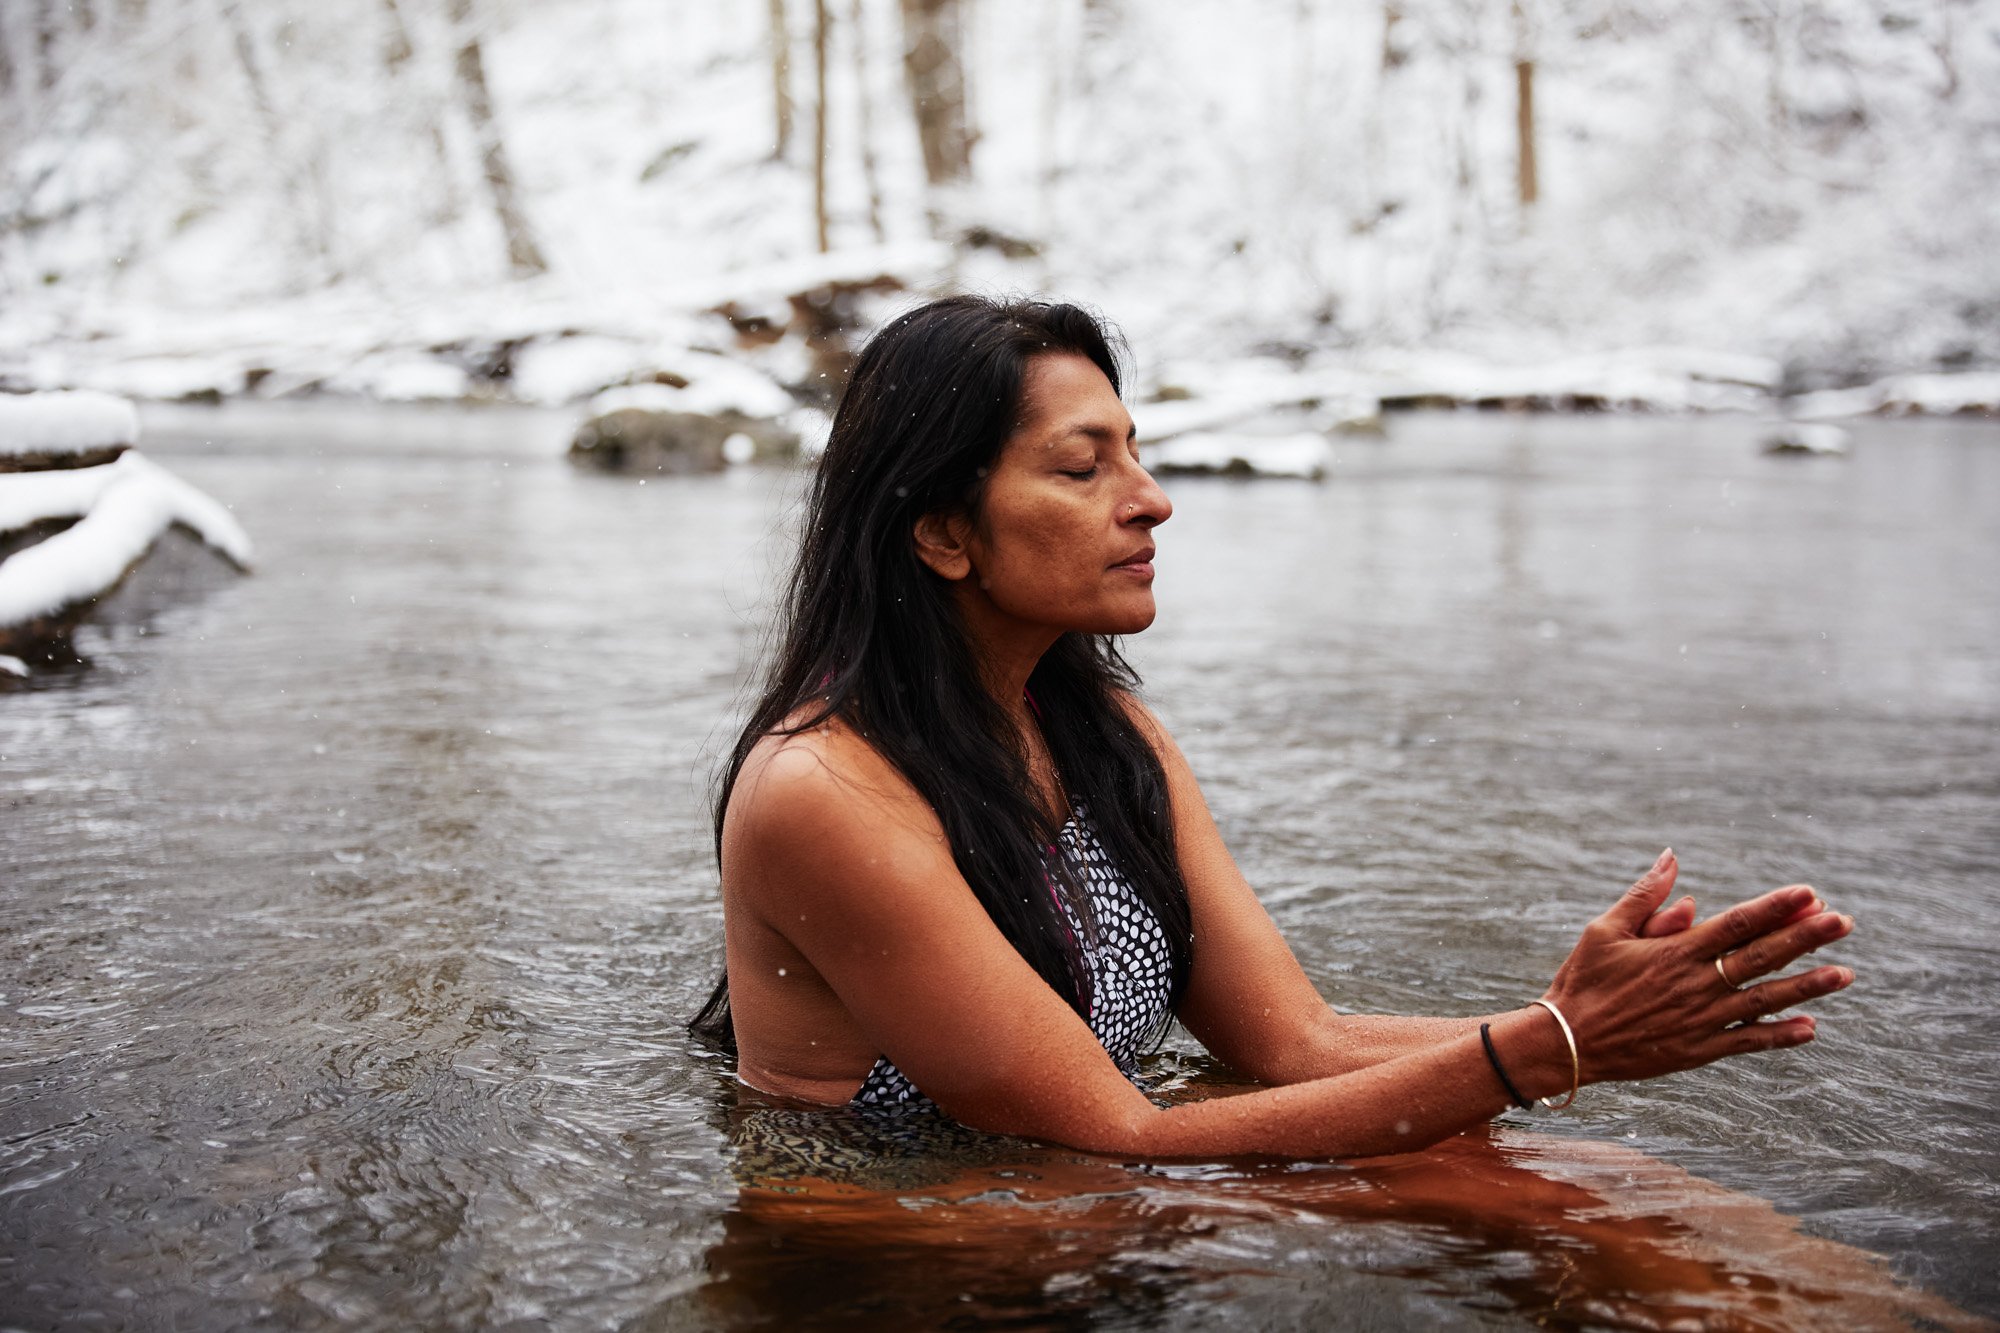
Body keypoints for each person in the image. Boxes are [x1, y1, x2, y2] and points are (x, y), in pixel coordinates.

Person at [689, 294, 1854, 1158]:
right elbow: (1121, 1135)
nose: (1149, 496)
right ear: (942, 535)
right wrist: (1541, 1049)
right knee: (1563, 1195)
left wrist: (1584, 1024)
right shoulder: (822, 793)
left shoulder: (1108, 741)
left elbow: (1292, 1043)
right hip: (888, 1240)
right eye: (1082, 467)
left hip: (1068, 1185)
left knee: (1587, 1180)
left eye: (1133, 451)